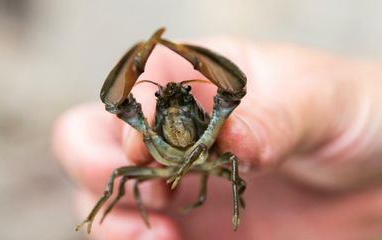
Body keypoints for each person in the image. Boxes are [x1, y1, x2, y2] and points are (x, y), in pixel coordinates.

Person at [53, 39, 382, 240]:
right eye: (164, 101)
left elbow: (231, 113)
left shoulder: (214, 126)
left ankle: (235, 210)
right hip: (170, 165)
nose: (175, 107)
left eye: (183, 96)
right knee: (121, 175)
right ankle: (93, 215)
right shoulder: (148, 132)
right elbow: (118, 117)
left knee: (233, 159)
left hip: (210, 158)